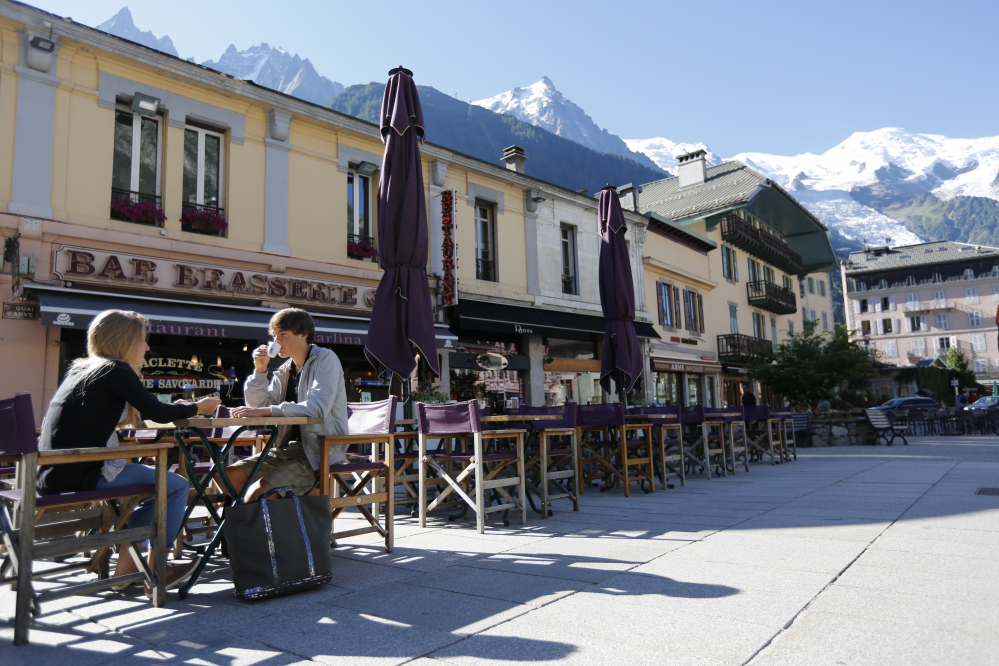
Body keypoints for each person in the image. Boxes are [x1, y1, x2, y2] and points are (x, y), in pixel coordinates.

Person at [38, 310, 221, 590]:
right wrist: (199, 407)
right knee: (175, 485)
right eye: (142, 340)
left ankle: (127, 567)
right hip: (83, 470)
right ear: (124, 341)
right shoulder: (114, 369)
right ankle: (157, 566)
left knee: (153, 491)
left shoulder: (81, 369)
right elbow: (159, 413)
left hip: (53, 471)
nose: (147, 347)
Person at [227, 308, 348, 501]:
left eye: (283, 335)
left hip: (318, 452)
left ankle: (264, 526)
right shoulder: (285, 370)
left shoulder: (325, 359)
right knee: (226, 476)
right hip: (286, 449)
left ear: (304, 334)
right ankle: (250, 525)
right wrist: (260, 371)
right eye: (274, 336)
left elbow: (317, 408)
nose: (276, 342)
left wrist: (267, 411)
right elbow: (258, 407)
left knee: (258, 493)